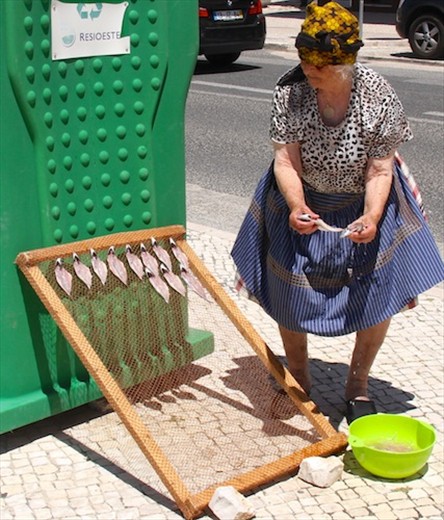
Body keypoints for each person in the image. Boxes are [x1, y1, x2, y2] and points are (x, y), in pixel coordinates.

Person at [231, 1, 444, 424]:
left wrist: (372, 216)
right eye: (304, 61)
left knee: (376, 294)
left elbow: (381, 168)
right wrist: (296, 206)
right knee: (289, 291)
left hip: (365, 197)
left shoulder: (377, 95)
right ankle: (299, 377)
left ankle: (357, 385)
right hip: (303, 194)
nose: (309, 71)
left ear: (345, 64)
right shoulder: (291, 90)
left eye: (320, 66)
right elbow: (286, 161)